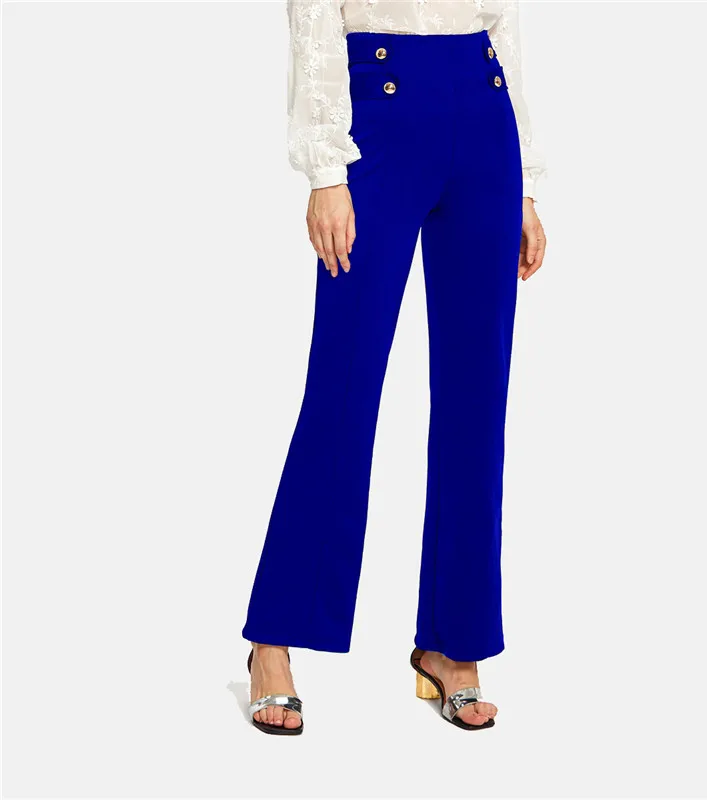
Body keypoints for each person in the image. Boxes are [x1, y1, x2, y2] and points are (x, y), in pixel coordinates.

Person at [242, 0, 548, 735]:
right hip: (377, 112)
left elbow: (504, 22)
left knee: (478, 398)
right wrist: (325, 170)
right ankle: (274, 635)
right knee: (343, 387)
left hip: (485, 116)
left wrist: (525, 181)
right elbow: (315, 16)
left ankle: (453, 641)